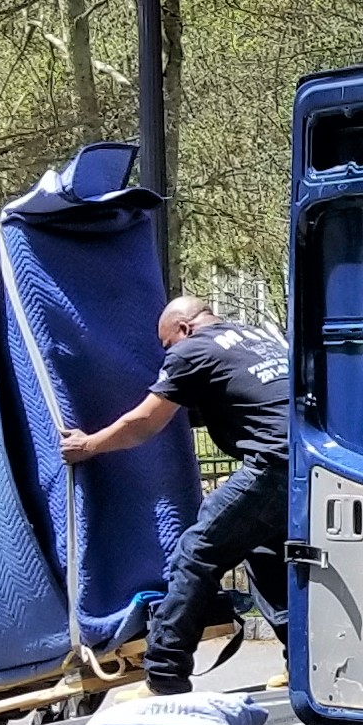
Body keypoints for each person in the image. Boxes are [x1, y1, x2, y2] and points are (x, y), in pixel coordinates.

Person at [60, 296, 291, 695]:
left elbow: (144, 422)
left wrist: (90, 444)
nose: (169, 353)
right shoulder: (262, 335)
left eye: (167, 344)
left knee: (197, 551)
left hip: (273, 461)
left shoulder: (191, 349)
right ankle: (304, 663)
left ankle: (165, 673)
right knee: (264, 554)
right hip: (313, 462)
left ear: (183, 328)